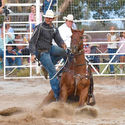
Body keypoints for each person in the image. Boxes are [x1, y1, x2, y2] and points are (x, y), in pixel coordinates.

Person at [29, 10, 67, 101]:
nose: (48, 19)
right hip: (41, 52)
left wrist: (63, 44)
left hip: (50, 49)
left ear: (53, 19)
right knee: (53, 72)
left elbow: (58, 39)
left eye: (50, 18)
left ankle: (64, 70)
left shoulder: (54, 28)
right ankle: (58, 98)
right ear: (45, 18)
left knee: (65, 52)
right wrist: (33, 54)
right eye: (47, 17)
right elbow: (32, 42)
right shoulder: (40, 27)